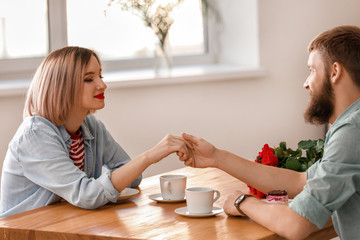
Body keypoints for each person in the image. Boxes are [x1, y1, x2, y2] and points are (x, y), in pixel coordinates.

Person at [179, 25, 360, 240]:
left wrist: (242, 202)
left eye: (312, 70)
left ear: (334, 72)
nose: (306, 83)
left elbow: (295, 225)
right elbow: (300, 182)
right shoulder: (351, 124)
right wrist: (217, 157)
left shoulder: (352, 131)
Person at [0, 46, 190, 218]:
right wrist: (150, 156)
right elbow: (87, 195)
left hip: (66, 224)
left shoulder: (90, 126)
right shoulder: (35, 135)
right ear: (62, 86)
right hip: (25, 231)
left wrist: (108, 184)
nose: (102, 85)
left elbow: (132, 178)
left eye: (101, 76)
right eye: (89, 79)